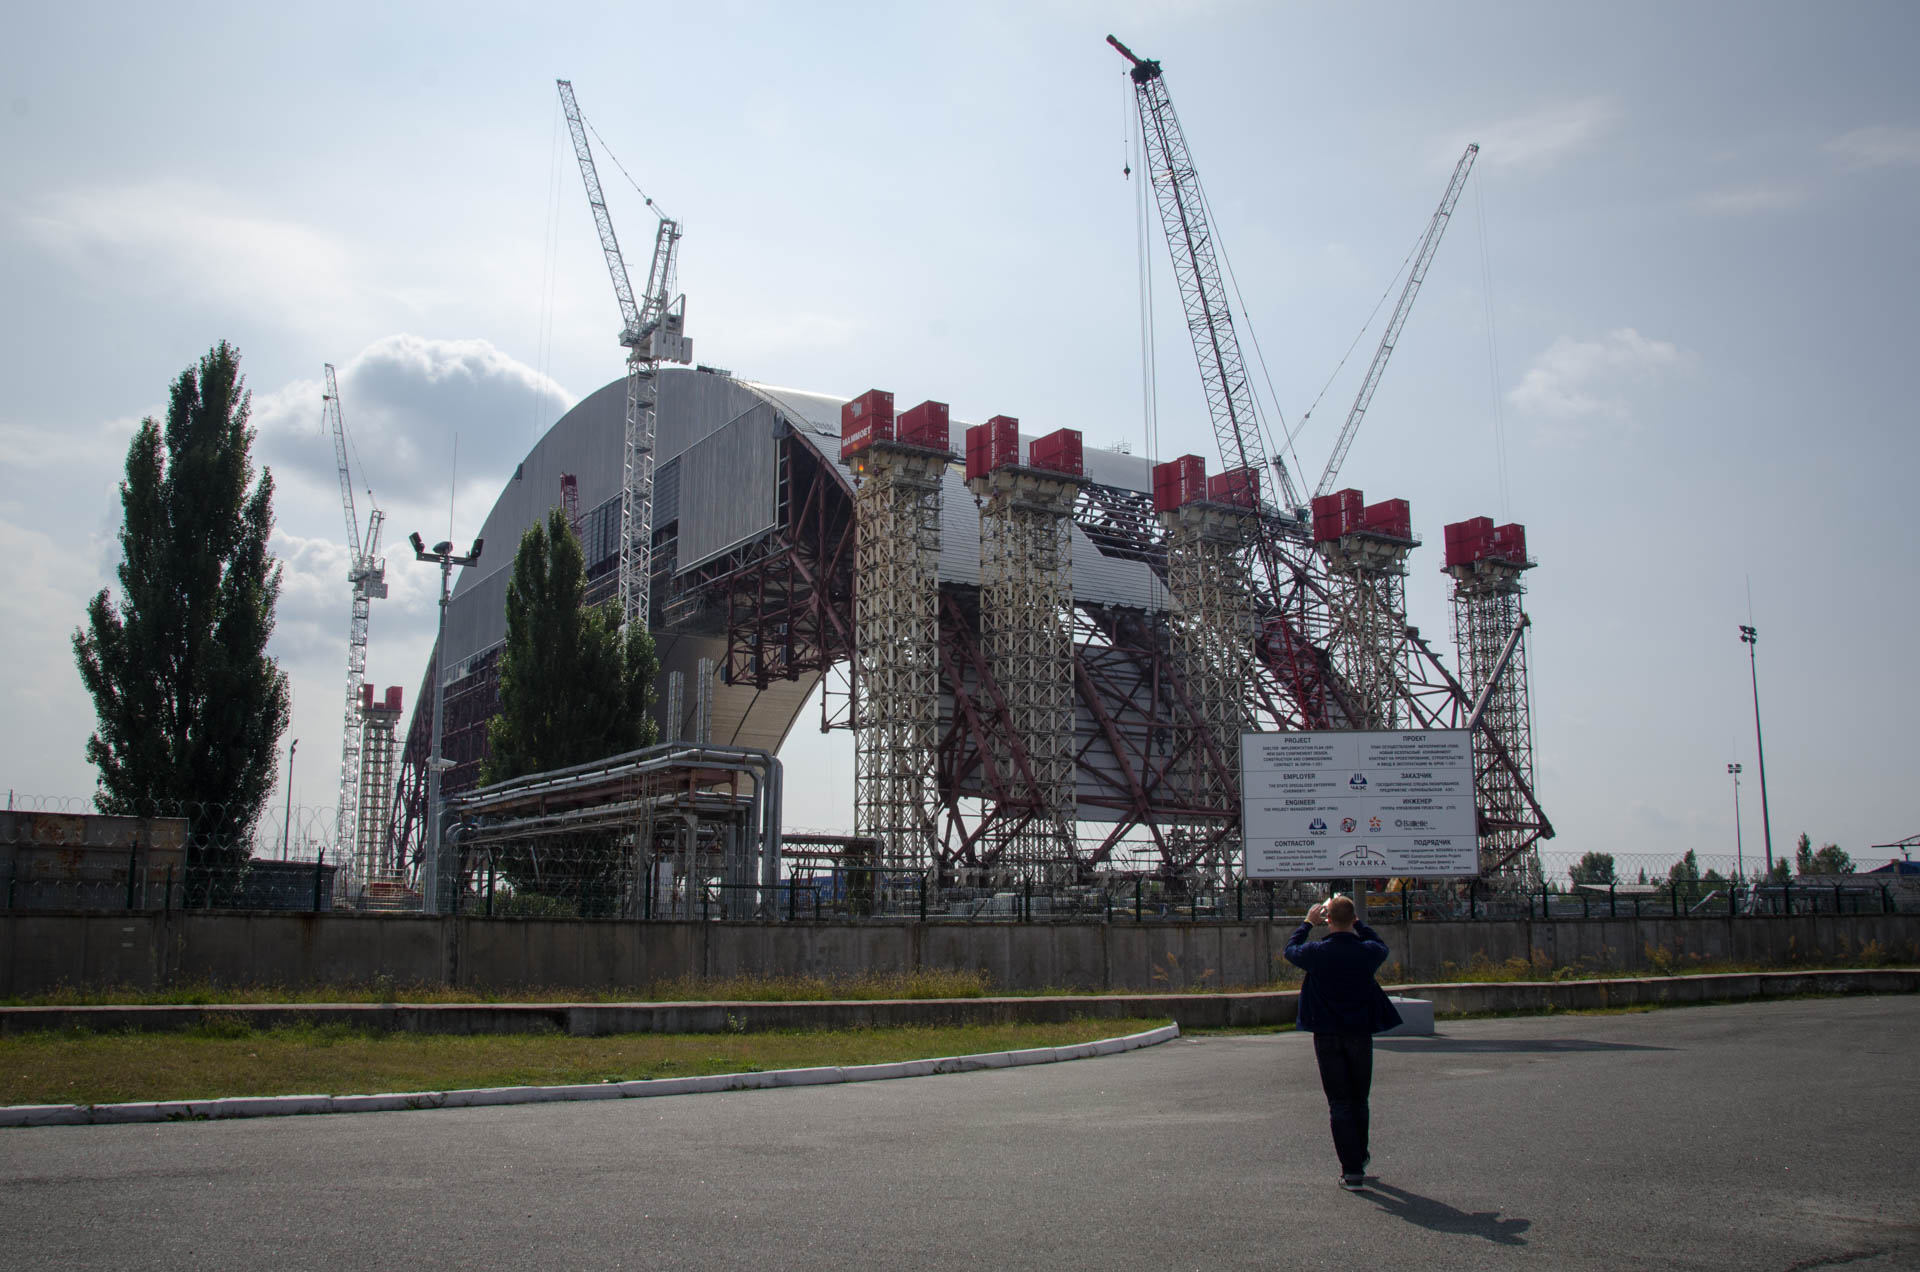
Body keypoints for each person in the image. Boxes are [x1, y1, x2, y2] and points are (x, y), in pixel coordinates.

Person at [1284, 893, 1402, 1191]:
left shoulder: (1317, 952)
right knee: (1359, 1098)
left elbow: (1290, 949)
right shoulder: (1367, 952)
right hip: (1359, 1033)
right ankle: (1359, 1156)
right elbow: (1382, 945)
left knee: (1339, 1101)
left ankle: (1350, 1171)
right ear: (1352, 920)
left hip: (1326, 1035)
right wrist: (1359, 924)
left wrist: (1307, 923)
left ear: (1327, 920)